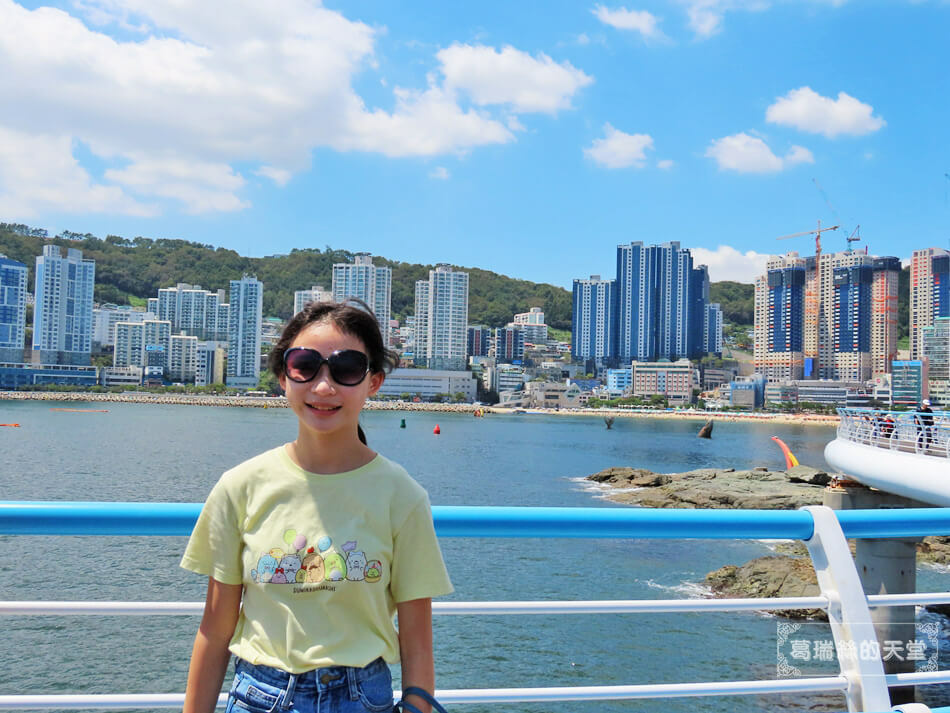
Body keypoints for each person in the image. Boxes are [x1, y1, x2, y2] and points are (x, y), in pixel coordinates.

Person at [181, 300, 453, 713]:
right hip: (260, 694)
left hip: (362, 697)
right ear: (283, 378)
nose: (323, 386)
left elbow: (417, 639)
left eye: (345, 369)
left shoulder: (402, 496)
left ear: (373, 383)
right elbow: (215, 630)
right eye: (305, 365)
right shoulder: (240, 487)